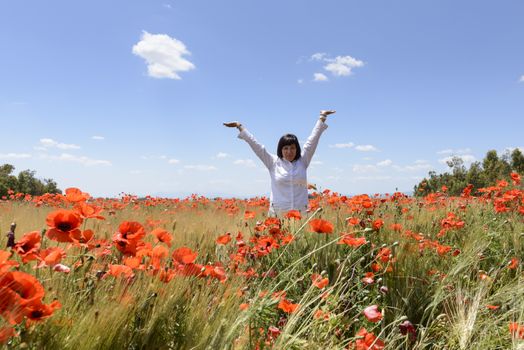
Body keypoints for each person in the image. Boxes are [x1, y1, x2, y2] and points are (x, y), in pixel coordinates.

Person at [224, 110, 335, 217]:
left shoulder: (303, 160)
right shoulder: (273, 162)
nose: (289, 151)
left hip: (301, 214)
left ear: (297, 149)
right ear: (280, 149)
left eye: (292, 148)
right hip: (278, 213)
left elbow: (312, 140)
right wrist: (239, 126)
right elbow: (256, 145)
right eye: (285, 148)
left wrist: (322, 117)